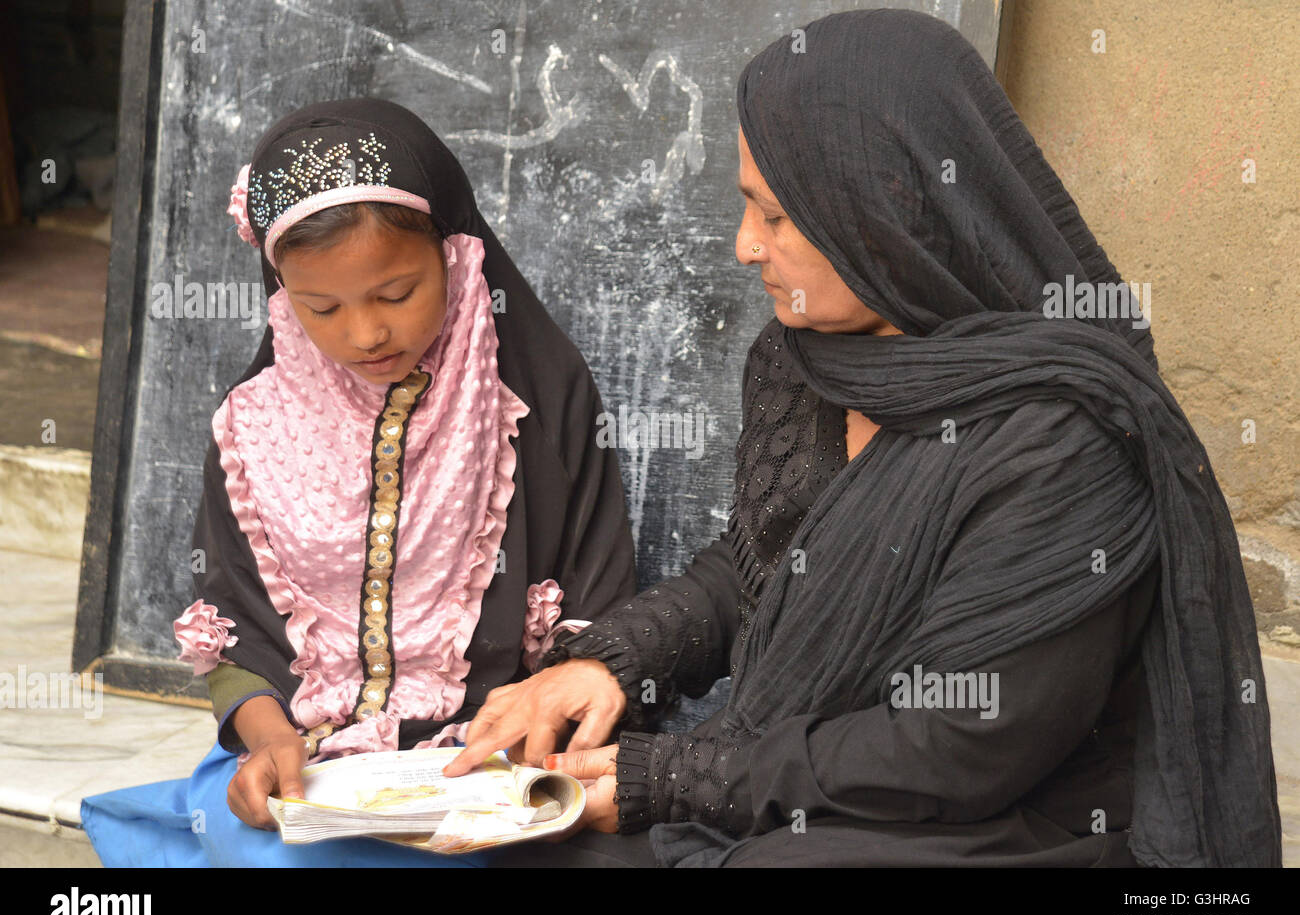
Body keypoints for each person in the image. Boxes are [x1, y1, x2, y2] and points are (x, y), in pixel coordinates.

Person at [445, 8, 1282, 867]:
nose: (743, 248)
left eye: (776, 217)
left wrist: (676, 776)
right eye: (747, 207)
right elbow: (766, 560)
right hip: (811, 785)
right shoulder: (804, 360)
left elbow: (960, 747)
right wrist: (615, 663)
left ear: (887, 209)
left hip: (997, 824)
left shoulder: (1062, 441)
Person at [80, 97, 637, 866]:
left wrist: (545, 737)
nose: (364, 333)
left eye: (396, 293)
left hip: (486, 761)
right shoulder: (257, 426)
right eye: (322, 308)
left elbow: (599, 600)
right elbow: (237, 618)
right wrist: (268, 737)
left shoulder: (536, 404)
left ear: (452, 251)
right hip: (306, 764)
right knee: (271, 846)